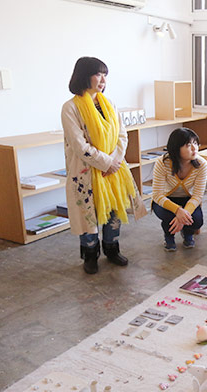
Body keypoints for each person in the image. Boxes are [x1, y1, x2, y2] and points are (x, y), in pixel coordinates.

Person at [61, 57, 138, 274]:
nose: (103, 80)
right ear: (84, 76)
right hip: (86, 171)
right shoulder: (70, 108)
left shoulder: (109, 104)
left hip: (113, 169)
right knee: (89, 214)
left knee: (113, 211)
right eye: (98, 74)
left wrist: (114, 161)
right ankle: (90, 254)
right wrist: (106, 163)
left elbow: (122, 135)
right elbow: (79, 145)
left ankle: (112, 249)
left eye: (105, 75)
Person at [152, 128, 207, 251]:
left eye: (195, 143)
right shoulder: (162, 163)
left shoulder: (202, 164)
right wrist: (177, 211)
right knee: (169, 215)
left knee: (197, 221)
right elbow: (157, 195)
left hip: (187, 199)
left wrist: (183, 215)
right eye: (188, 145)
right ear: (176, 148)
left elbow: (197, 196)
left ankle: (188, 233)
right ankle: (169, 236)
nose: (194, 148)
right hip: (165, 199)